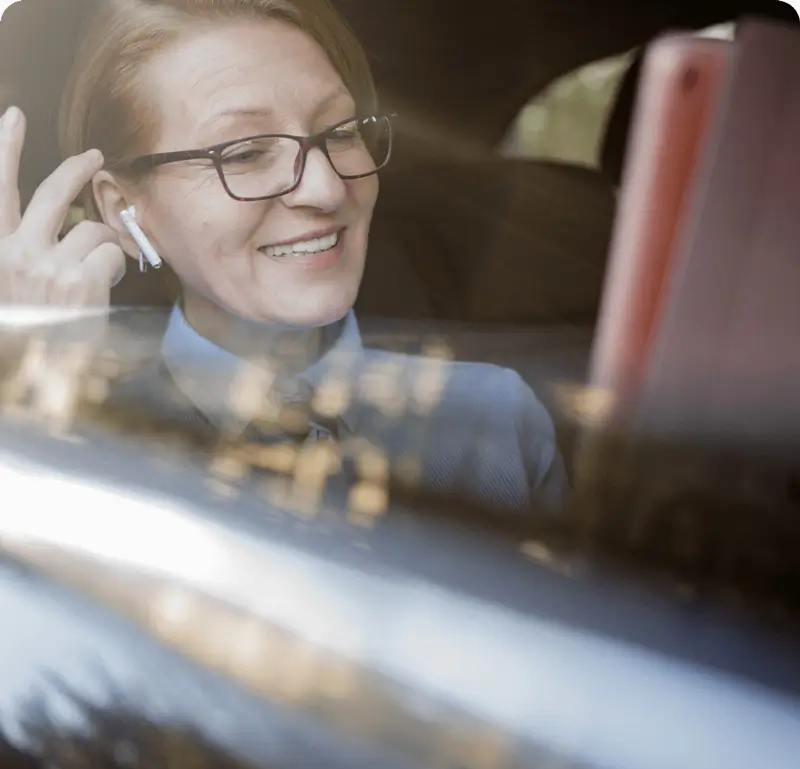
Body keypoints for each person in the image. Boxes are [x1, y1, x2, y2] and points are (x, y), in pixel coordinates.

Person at [0, 0, 567, 513]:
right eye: (244, 153)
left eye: (341, 132)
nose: (325, 190)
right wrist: (29, 391)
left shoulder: (497, 421)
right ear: (124, 209)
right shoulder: (72, 425)